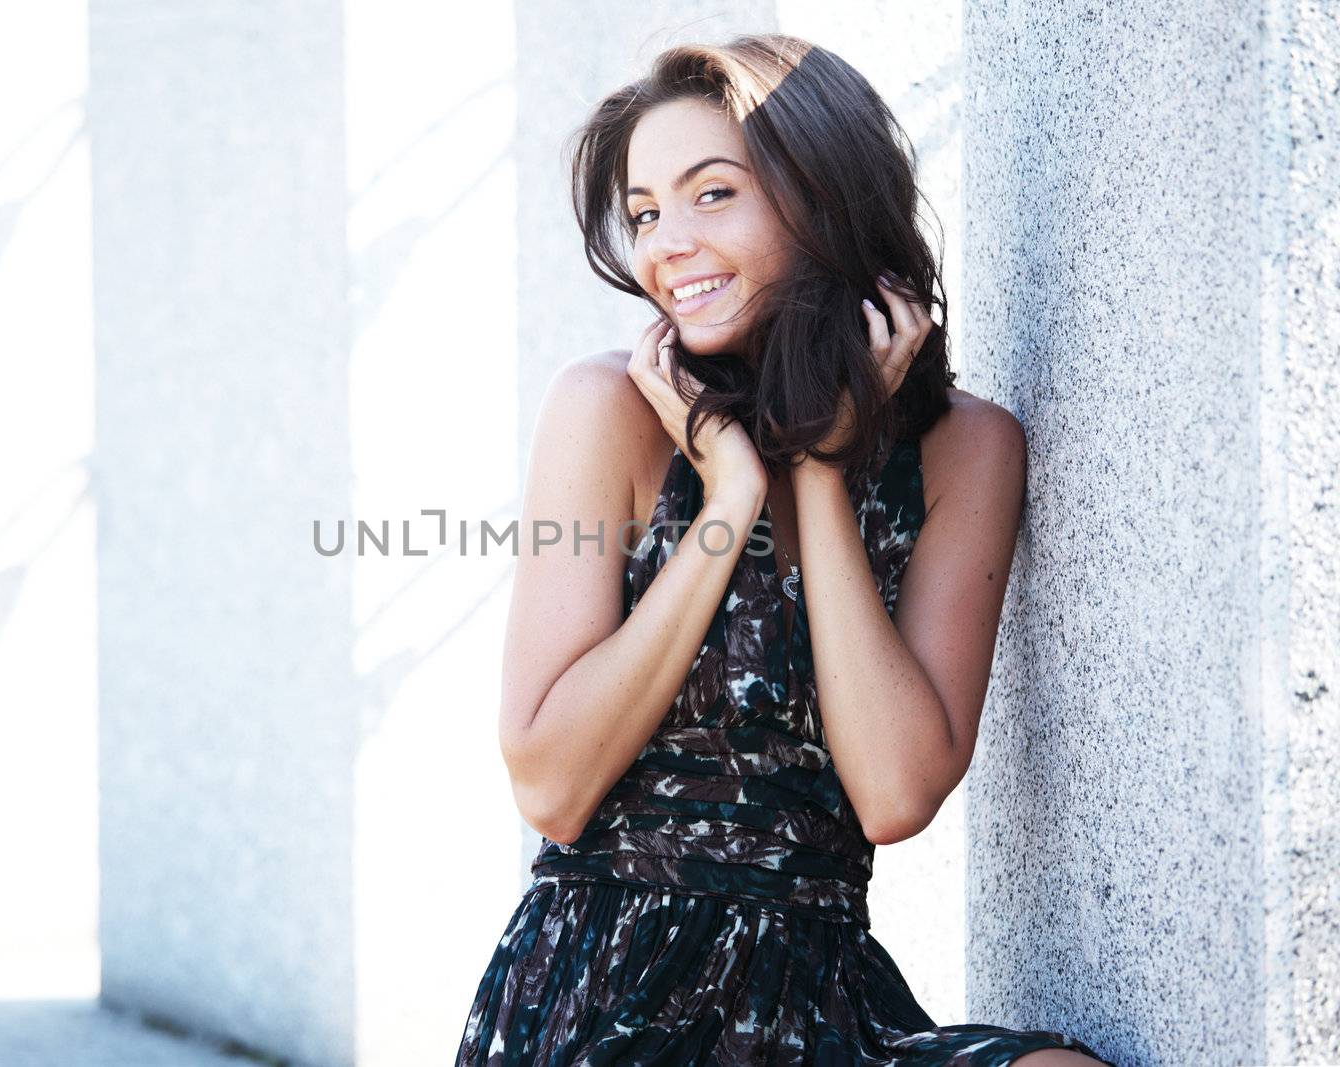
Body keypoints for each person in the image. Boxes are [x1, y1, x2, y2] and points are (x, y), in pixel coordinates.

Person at [455, 33, 1114, 1066]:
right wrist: (729, 497)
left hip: (821, 996)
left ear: (826, 196)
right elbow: (550, 784)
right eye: (643, 211)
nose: (666, 241)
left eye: (712, 193)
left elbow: (896, 793)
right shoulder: (606, 411)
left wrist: (814, 468)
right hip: (602, 993)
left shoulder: (966, 448)